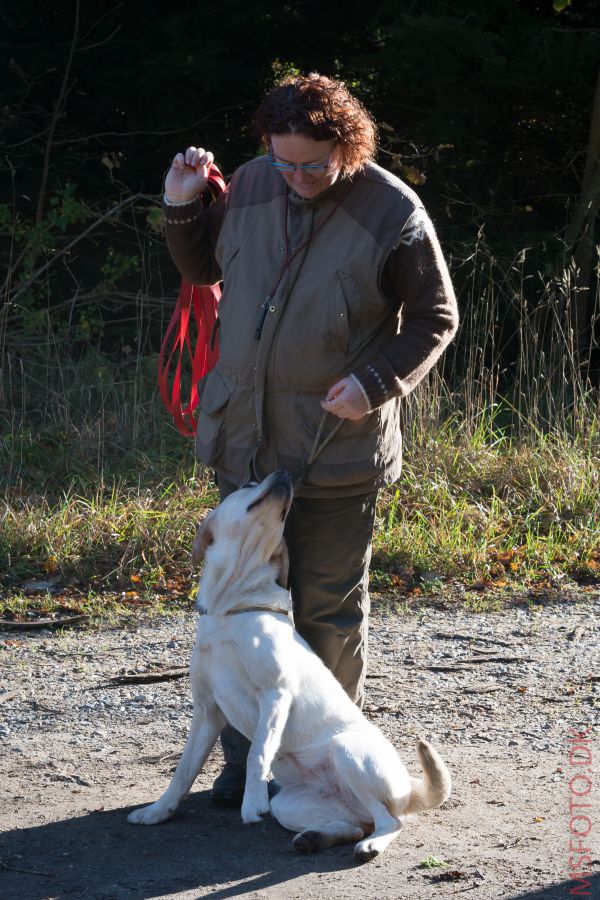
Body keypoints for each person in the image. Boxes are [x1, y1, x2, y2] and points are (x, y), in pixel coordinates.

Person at [162, 73, 459, 806]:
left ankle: (317, 774)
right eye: (281, 159)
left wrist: (375, 384)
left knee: (325, 613)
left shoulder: (395, 209)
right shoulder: (257, 184)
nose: (294, 179)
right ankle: (243, 776)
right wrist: (180, 204)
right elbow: (205, 268)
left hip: (336, 451)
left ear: (347, 147)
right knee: (235, 623)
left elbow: (435, 317)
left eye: (312, 166)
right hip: (246, 444)